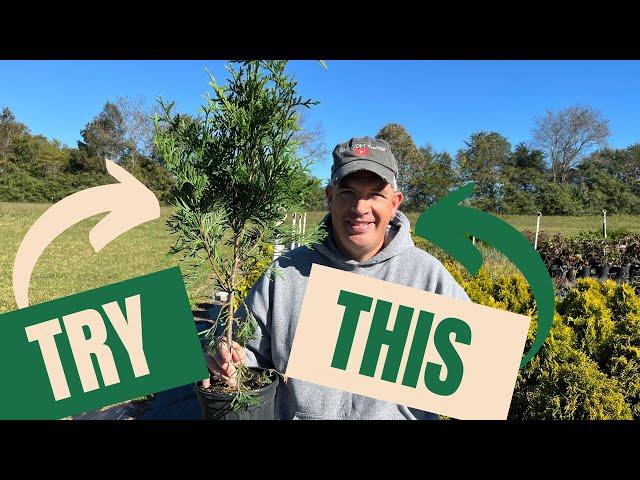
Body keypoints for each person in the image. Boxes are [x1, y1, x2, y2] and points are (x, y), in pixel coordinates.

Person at [207, 136, 470, 419]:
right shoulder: (285, 273)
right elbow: (249, 357)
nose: (360, 208)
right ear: (330, 197)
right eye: (348, 193)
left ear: (395, 203)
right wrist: (228, 361)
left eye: (375, 195)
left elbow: (475, 376)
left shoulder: (429, 277)